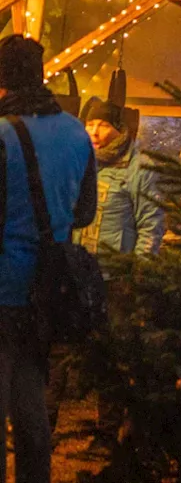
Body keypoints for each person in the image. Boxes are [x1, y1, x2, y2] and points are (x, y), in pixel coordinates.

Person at [0, 36, 96, 483]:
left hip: (3, 287)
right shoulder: (77, 132)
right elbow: (85, 212)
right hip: (46, 290)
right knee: (31, 402)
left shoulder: (2, 134)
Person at [78, 96, 164, 255]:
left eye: (104, 125)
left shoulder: (140, 167)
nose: (95, 132)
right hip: (77, 270)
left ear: (118, 130)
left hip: (115, 272)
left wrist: (136, 272)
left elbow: (151, 227)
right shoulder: (79, 160)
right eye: (90, 125)